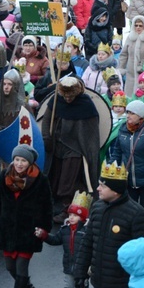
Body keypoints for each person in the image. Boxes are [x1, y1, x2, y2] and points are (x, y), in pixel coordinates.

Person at [73, 161, 144, 288]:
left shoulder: (138, 214)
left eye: (102, 185)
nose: (98, 189)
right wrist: (80, 273)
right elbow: (87, 243)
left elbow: (143, 255)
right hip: (99, 285)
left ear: (115, 190)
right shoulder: (97, 209)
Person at [0, 144, 52, 288]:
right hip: (7, 230)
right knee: (10, 267)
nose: (19, 164)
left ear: (29, 162)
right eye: (17, 159)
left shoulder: (40, 180)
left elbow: (47, 207)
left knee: (22, 267)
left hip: (28, 231)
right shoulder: (2, 178)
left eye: (23, 160)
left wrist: (44, 229)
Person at [41, 76, 102, 223]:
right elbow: (47, 119)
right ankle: (55, 207)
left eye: (71, 95)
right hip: (57, 145)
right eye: (65, 94)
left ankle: (67, 209)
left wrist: (86, 149)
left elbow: (91, 131)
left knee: (68, 181)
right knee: (54, 178)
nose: (67, 98)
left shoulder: (85, 104)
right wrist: (46, 138)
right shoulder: (56, 100)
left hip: (76, 148)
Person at [109, 100, 144, 244]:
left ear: (140, 116)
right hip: (128, 180)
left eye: (131, 113)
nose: (128, 115)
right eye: (127, 112)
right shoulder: (123, 129)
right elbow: (117, 152)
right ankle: (133, 242)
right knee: (130, 213)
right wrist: (110, 172)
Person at [36, 191, 91, 288]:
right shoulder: (65, 229)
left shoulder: (87, 231)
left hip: (82, 267)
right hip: (68, 265)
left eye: (75, 215)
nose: (71, 217)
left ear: (82, 217)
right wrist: (44, 235)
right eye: (70, 215)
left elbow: (91, 248)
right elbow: (55, 240)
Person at [118, 15, 144, 95]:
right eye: (136, 25)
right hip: (131, 72)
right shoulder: (130, 38)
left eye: (140, 26)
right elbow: (124, 54)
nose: (138, 28)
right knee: (129, 94)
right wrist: (121, 67)